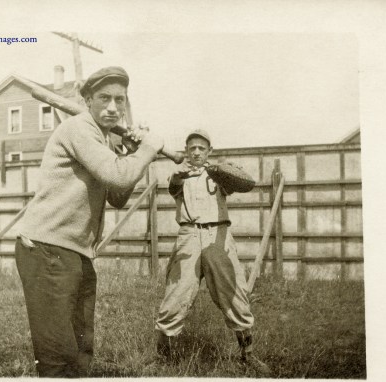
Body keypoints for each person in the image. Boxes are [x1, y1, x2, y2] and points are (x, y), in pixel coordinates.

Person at [15, 66, 164, 378]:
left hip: (76, 253)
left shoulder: (103, 140)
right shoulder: (79, 129)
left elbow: (117, 195)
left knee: (82, 349)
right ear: (87, 100)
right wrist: (147, 152)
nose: (113, 107)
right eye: (104, 98)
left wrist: (131, 153)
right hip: (47, 249)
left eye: (120, 100)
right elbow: (117, 174)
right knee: (58, 353)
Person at [155, 129, 271, 376]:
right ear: (186, 151)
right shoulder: (179, 175)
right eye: (192, 148)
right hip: (188, 236)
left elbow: (245, 183)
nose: (196, 151)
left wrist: (224, 170)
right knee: (177, 294)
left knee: (233, 294)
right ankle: (164, 358)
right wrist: (177, 174)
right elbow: (173, 187)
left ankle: (247, 355)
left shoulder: (218, 175)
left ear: (209, 151)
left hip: (217, 236)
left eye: (201, 148)